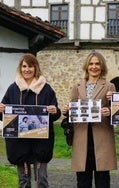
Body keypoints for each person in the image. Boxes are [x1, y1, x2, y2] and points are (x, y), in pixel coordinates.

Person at [0, 53, 61, 187]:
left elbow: (55, 113)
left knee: (42, 181)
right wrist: (1, 110)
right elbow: (5, 115)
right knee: (23, 181)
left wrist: (55, 111)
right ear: (20, 68)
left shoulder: (46, 89)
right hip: (20, 144)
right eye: (24, 66)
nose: (27, 69)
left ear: (36, 68)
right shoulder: (13, 89)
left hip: (41, 143)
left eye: (30, 66)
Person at [62, 51, 117, 188]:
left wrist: (110, 110)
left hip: (102, 137)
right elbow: (73, 109)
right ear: (86, 66)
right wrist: (67, 111)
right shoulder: (77, 86)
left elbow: (117, 112)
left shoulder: (110, 86)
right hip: (81, 137)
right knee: (83, 181)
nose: (94, 66)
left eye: (97, 63)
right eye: (91, 63)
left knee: (102, 180)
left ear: (102, 66)